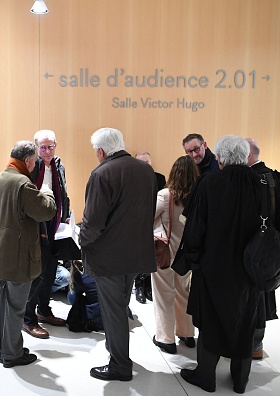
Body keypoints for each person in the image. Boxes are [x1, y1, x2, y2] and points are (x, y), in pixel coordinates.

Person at [178, 135, 269, 393]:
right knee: (246, 318)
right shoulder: (263, 182)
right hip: (251, 267)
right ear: (246, 156)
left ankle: (206, 376)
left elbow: (194, 229)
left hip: (213, 266)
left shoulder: (208, 182)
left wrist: (192, 259)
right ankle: (240, 380)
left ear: (219, 158)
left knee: (211, 320)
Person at [79, 128, 157, 381]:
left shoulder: (102, 173)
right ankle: (119, 356)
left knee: (113, 312)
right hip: (136, 254)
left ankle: (120, 365)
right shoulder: (146, 170)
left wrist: (80, 240)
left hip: (109, 257)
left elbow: (93, 221)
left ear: (101, 151)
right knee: (120, 306)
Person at [0, 140, 56, 368]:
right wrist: (48, 193)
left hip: (0, 253)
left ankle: (8, 349)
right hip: (18, 257)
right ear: (26, 160)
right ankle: (12, 355)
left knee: (5, 307)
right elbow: (45, 211)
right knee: (16, 308)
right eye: (35, 161)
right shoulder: (22, 184)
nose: (35, 165)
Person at [23, 129, 70, 339]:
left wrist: (66, 215)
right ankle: (28, 319)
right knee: (36, 273)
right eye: (43, 147)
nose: (48, 150)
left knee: (51, 269)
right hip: (35, 223)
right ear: (36, 147)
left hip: (54, 222)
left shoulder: (59, 164)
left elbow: (64, 193)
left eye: (51, 146)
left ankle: (44, 310)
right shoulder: (31, 165)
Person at [151, 156, 199, 355]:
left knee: (164, 294)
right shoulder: (198, 196)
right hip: (187, 254)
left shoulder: (165, 195)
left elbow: (148, 217)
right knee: (184, 292)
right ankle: (187, 333)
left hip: (165, 253)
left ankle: (166, 338)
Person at [246, 138, 280, 360]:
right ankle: (257, 345)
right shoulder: (275, 177)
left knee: (250, 295)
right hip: (270, 244)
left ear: (248, 155)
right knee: (264, 292)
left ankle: (248, 343)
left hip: (250, 247)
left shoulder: (249, 179)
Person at [133, 151, 166, 304]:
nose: (145, 165)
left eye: (147, 162)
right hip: (136, 222)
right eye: (141, 162)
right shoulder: (130, 179)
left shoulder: (159, 178)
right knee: (139, 254)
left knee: (152, 254)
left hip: (155, 221)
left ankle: (148, 286)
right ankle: (139, 285)